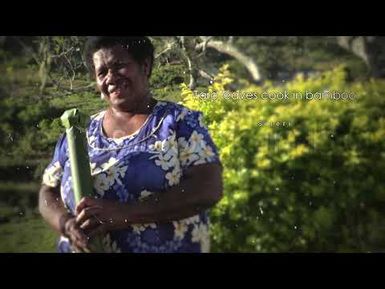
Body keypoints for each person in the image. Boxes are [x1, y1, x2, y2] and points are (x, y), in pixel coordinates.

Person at [39, 36, 223, 253]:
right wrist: (67, 225)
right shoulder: (79, 131)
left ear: (144, 66)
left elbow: (207, 188)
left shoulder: (179, 122)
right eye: (102, 72)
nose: (111, 77)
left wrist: (124, 213)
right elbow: (48, 191)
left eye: (119, 66)